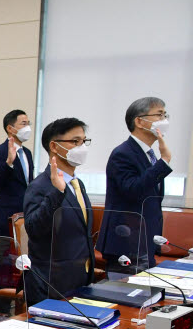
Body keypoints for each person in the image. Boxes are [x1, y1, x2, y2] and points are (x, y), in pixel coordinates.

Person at [23, 118, 95, 305]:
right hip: (51, 283)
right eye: (74, 141)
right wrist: (58, 192)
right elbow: (34, 229)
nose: (81, 147)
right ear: (54, 146)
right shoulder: (40, 185)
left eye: (83, 141)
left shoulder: (78, 184)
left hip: (80, 278)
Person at [98, 97, 173, 270]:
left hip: (144, 242)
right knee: (125, 295)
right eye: (159, 115)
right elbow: (133, 190)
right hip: (126, 244)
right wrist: (165, 162)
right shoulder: (123, 153)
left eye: (165, 115)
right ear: (139, 121)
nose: (165, 121)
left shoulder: (148, 153)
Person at [0, 109, 34, 237]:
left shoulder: (27, 153)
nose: (28, 128)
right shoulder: (0, 151)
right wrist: (8, 163)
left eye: (28, 123)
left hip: (26, 216)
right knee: (6, 257)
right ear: (10, 128)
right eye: (23, 124)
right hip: (6, 218)